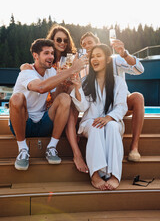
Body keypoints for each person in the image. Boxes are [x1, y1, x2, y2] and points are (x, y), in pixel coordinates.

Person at [9, 38, 86, 171]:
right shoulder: (26, 72)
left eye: (52, 53)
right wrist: (73, 68)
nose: (51, 56)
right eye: (46, 53)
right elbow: (41, 88)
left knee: (64, 98)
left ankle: (51, 147)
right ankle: (22, 150)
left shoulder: (51, 72)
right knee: (16, 98)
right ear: (35, 55)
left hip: (43, 123)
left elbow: (56, 98)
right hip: (23, 124)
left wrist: (63, 85)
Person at [70, 44, 128, 190]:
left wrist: (109, 118)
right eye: (92, 57)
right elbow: (82, 107)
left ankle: (115, 175)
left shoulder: (119, 82)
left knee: (113, 127)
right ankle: (95, 175)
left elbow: (122, 106)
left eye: (98, 56)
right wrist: (77, 88)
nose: (94, 59)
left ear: (108, 60)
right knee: (96, 127)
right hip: (90, 121)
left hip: (112, 120)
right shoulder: (85, 82)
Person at [80, 32, 145, 162]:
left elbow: (139, 70)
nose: (86, 46)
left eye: (90, 43)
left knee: (138, 97)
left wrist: (124, 54)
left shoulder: (114, 59)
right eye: (83, 44)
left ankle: (134, 147)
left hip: (119, 106)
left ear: (98, 44)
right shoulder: (85, 66)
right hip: (97, 111)